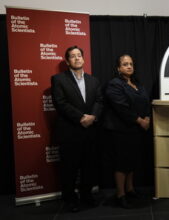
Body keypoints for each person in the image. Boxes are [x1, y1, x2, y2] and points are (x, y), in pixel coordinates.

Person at [51, 46, 103, 212]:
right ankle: (70, 199)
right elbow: (60, 103)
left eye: (79, 55)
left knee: (89, 167)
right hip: (70, 132)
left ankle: (86, 195)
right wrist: (81, 118)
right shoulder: (58, 79)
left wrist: (93, 117)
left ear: (83, 59)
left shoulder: (93, 80)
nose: (77, 58)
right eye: (72, 56)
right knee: (69, 169)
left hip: (90, 132)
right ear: (67, 61)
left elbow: (99, 101)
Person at [103, 54, 150, 209]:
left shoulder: (137, 84)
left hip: (136, 130)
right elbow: (122, 108)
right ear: (118, 68)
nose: (129, 66)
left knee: (131, 162)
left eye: (130, 64)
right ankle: (120, 194)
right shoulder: (114, 84)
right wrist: (140, 121)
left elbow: (145, 102)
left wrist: (147, 117)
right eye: (125, 64)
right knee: (122, 163)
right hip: (121, 130)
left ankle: (130, 190)